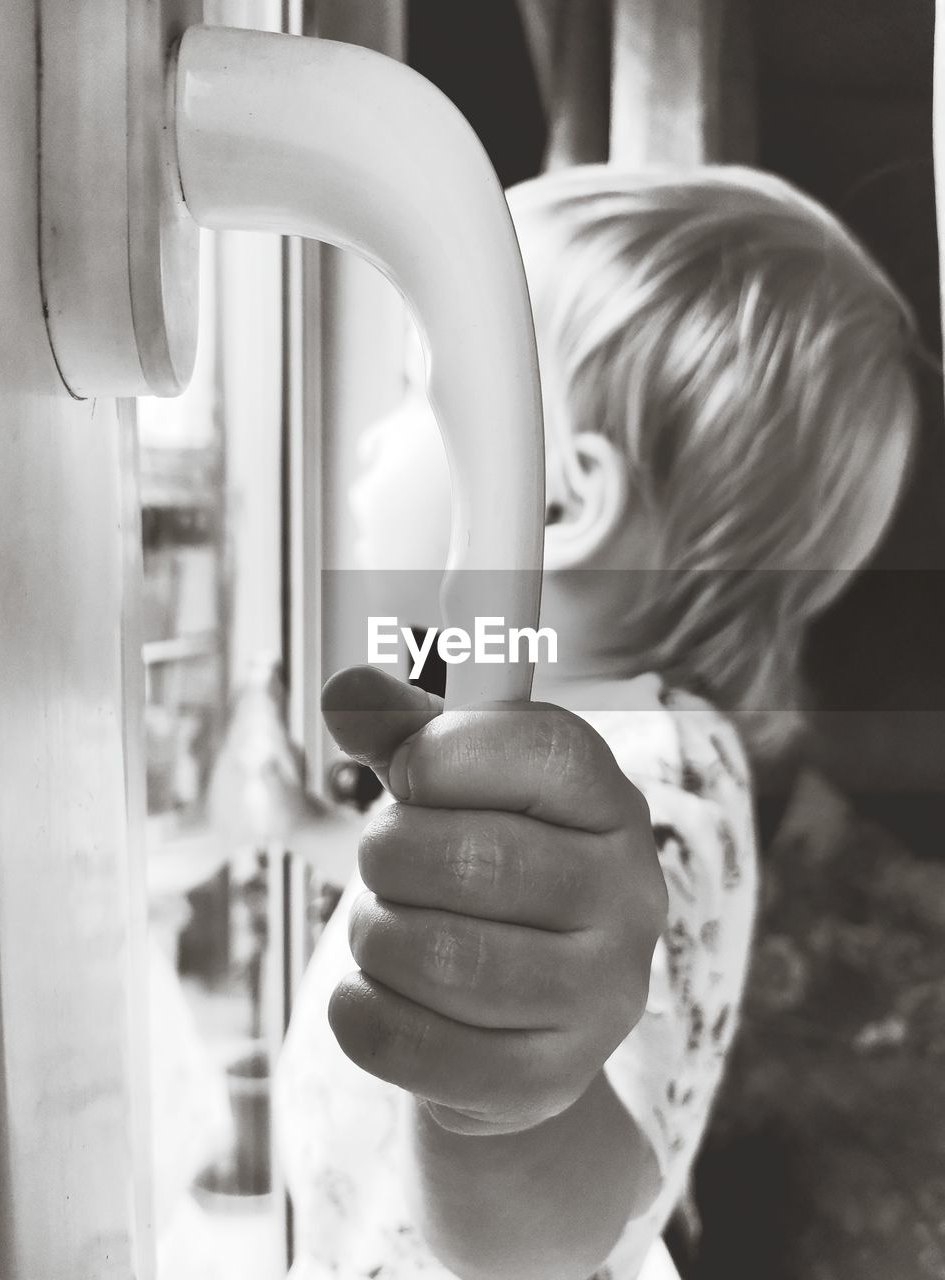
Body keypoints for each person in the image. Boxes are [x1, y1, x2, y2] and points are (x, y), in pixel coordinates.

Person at [275, 164, 920, 1280]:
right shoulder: (592, 744)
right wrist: (307, 833)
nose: (375, 441)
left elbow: (580, 1213)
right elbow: (463, 918)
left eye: (416, 391)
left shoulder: (639, 786)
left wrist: (504, 1117)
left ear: (558, 502)